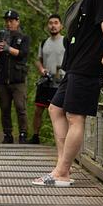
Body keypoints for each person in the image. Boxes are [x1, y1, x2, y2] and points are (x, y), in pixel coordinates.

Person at [33, 0, 103, 186]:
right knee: (55, 109)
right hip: (75, 66)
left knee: (74, 117)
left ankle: (61, 172)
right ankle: (63, 168)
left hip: (89, 65)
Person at [0, 9, 30, 143]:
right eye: (6, 21)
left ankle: (23, 134)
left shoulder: (24, 37)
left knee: (20, 107)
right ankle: (7, 134)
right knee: (5, 107)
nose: (8, 24)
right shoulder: (0, 36)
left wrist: (9, 49)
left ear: (17, 21)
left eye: (11, 21)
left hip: (18, 79)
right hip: (3, 78)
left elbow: (23, 54)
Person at [29, 14, 65, 144]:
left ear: (61, 26)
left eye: (56, 23)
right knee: (38, 110)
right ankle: (35, 136)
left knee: (61, 112)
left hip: (61, 82)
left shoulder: (66, 42)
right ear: (47, 26)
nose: (53, 25)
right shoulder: (44, 43)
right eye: (50, 23)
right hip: (46, 81)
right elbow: (38, 60)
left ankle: (60, 140)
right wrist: (42, 70)